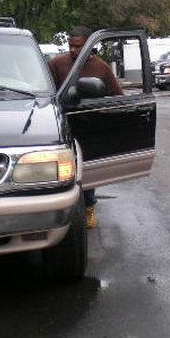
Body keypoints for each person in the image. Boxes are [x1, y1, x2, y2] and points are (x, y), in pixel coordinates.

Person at [47, 26, 124, 228]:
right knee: (60, 172)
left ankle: (89, 208)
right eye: (71, 46)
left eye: (78, 46)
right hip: (62, 127)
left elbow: (117, 97)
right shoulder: (57, 64)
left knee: (87, 172)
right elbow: (46, 94)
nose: (73, 50)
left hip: (90, 127)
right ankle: (58, 211)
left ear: (89, 45)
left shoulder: (101, 67)